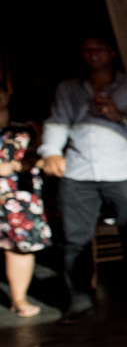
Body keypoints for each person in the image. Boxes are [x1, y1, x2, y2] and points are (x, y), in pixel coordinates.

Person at [40, 37, 127, 320]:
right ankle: (79, 299)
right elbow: (57, 122)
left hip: (124, 170)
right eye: (86, 49)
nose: (92, 54)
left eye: (98, 48)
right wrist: (50, 152)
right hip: (78, 169)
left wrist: (120, 115)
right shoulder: (69, 88)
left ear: (111, 52)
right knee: (75, 239)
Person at [0, 87, 51, 317]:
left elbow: (44, 156)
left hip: (20, 194)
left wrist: (23, 165)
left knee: (21, 246)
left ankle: (18, 298)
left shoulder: (27, 124)